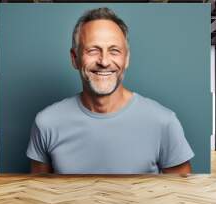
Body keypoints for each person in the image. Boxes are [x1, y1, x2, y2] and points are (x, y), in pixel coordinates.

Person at [26, 7, 194, 174]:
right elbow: (40, 194)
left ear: (126, 58)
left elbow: (180, 195)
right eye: (93, 50)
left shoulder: (164, 122)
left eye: (114, 51)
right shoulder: (46, 123)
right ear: (74, 58)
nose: (104, 61)